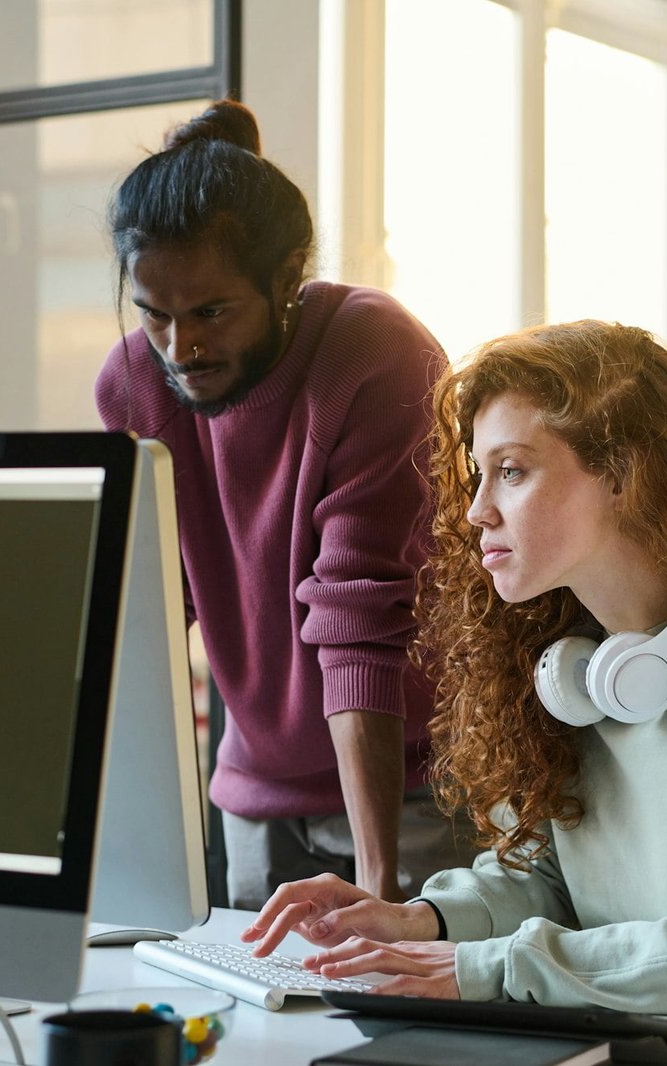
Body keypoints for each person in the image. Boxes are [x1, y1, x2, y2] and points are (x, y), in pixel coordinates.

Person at [242, 319, 667, 1015]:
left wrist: (494, 967)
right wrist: (421, 921)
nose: (477, 511)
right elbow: (546, 881)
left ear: (623, 474)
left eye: (511, 470)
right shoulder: (569, 660)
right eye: (480, 474)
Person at [95, 99, 471, 910]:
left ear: (287, 274)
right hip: (255, 797)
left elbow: (360, 617)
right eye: (153, 314)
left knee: (406, 1024)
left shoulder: (372, 353)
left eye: (211, 313)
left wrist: (379, 888)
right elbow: (160, 608)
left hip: (409, 790)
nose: (180, 348)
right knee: (252, 1025)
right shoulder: (132, 384)